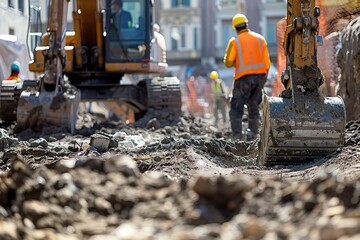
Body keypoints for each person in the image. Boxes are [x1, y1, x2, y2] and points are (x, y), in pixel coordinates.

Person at [224, 14, 270, 141]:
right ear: (246, 24)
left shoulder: (234, 41)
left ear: (235, 28)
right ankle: (253, 136)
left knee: (236, 108)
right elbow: (267, 63)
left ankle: (237, 137)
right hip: (259, 78)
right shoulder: (260, 39)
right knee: (254, 106)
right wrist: (263, 78)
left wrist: (236, 62)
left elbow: (227, 62)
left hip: (243, 78)